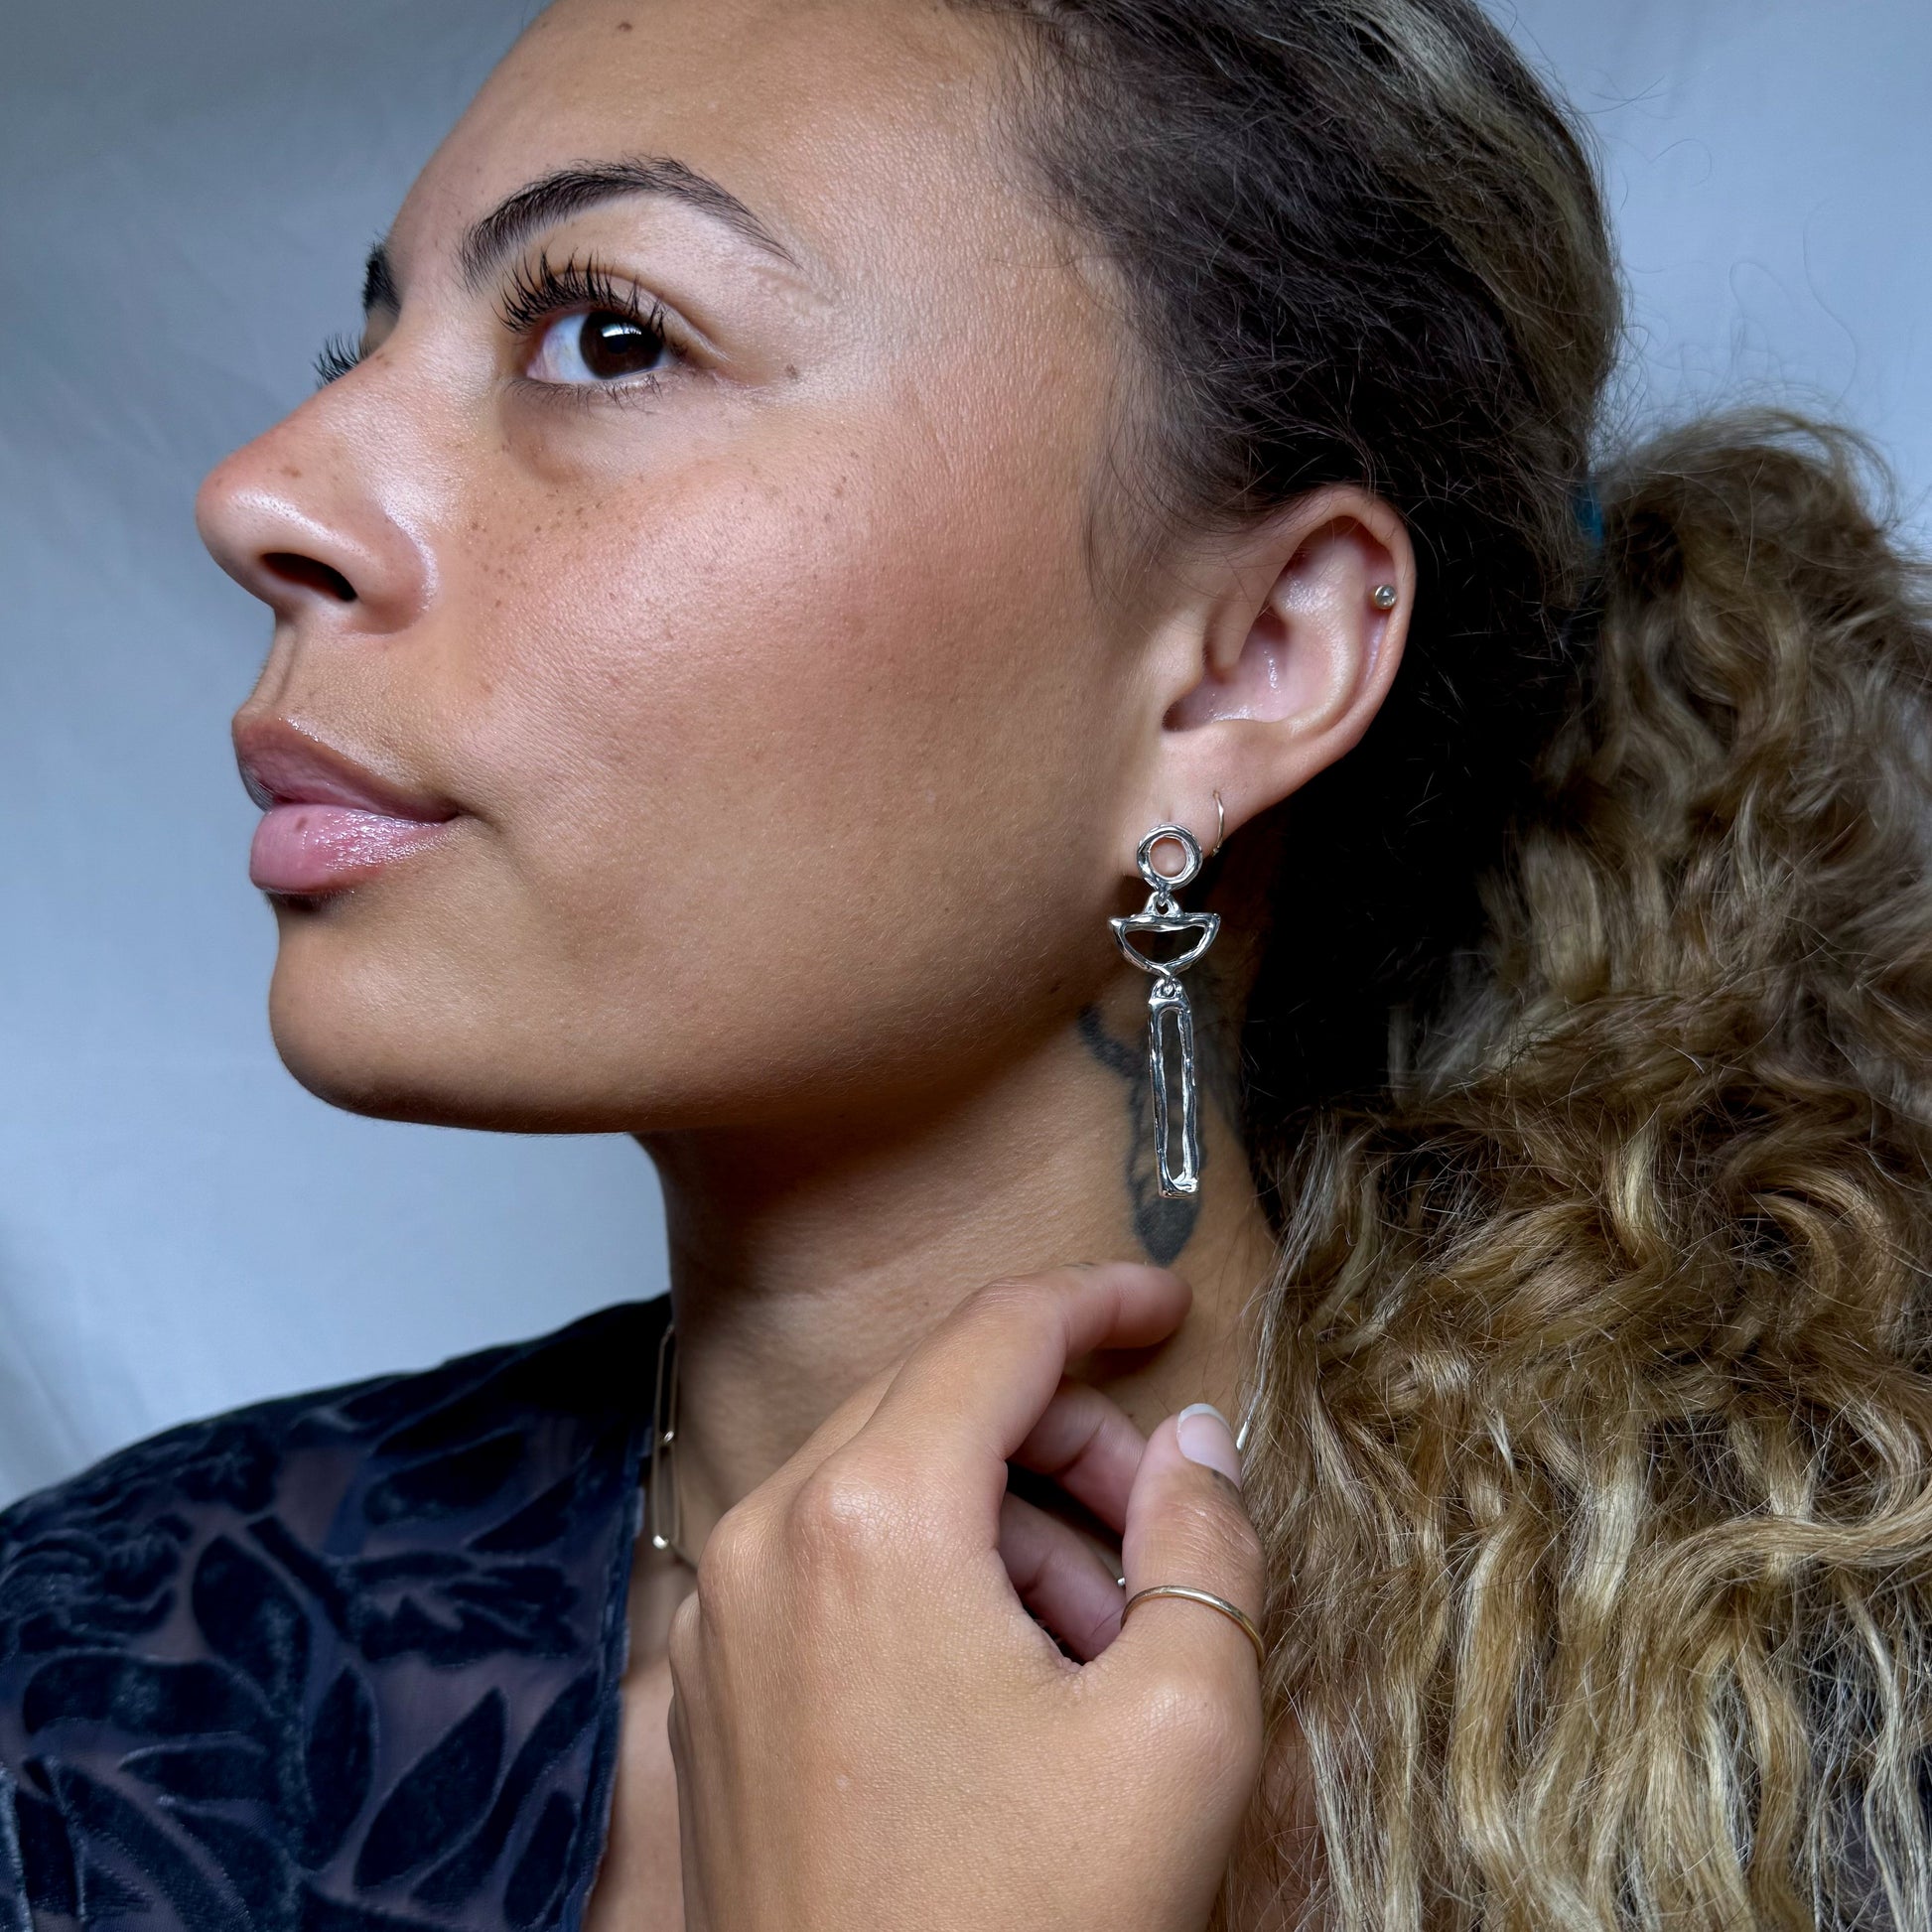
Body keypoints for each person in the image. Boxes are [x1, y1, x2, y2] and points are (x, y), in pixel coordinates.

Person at [3, 0, 1929, 1925]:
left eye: (607, 335)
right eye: (365, 340)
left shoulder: (1849, 1741)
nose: (266, 491)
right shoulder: (105, 1716)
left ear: (1249, 661)